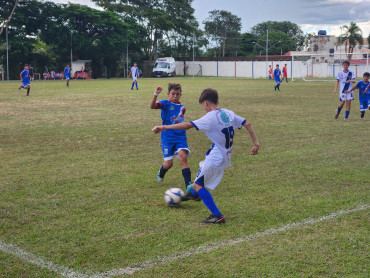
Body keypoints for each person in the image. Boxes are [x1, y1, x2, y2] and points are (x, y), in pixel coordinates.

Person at [152, 88, 260, 224]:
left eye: (203, 105)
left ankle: (217, 215)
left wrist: (163, 127)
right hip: (225, 154)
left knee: (197, 185)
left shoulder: (209, 117)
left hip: (216, 156)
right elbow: (247, 124)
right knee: (199, 183)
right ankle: (194, 196)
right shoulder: (228, 113)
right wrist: (256, 143)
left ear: (206, 103)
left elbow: (186, 126)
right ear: (217, 101)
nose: (204, 108)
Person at [150, 83, 193, 190]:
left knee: (183, 157)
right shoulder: (165, 103)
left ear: (180, 95)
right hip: (167, 137)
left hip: (180, 137)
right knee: (169, 164)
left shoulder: (182, 108)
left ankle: (188, 184)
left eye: (177, 94)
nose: (175, 96)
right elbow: (152, 106)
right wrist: (155, 94)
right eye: (173, 94)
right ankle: (162, 171)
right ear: (168, 94)